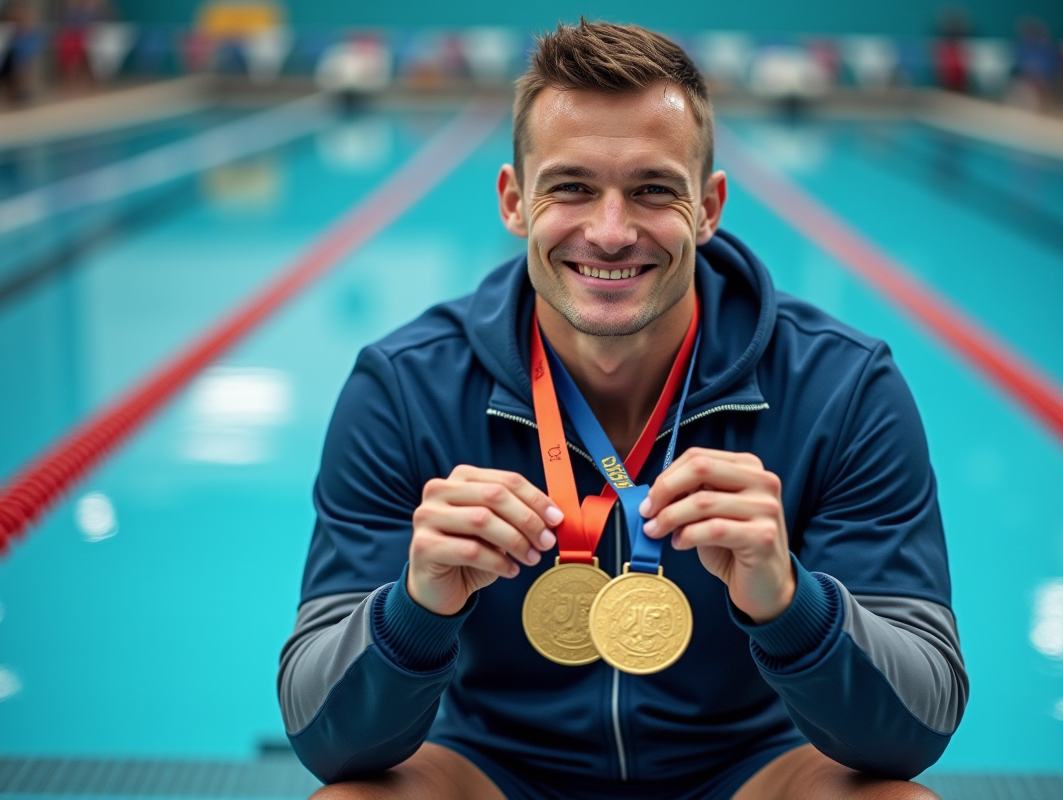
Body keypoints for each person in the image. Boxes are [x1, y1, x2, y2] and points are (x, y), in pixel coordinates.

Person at [279, 20, 967, 800]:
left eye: (652, 189)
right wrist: (414, 609)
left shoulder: (841, 387)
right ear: (515, 202)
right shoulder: (404, 390)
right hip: (493, 767)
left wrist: (791, 604)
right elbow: (321, 735)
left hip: (749, 768)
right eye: (571, 187)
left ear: (708, 207)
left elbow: (916, 728)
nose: (610, 233)